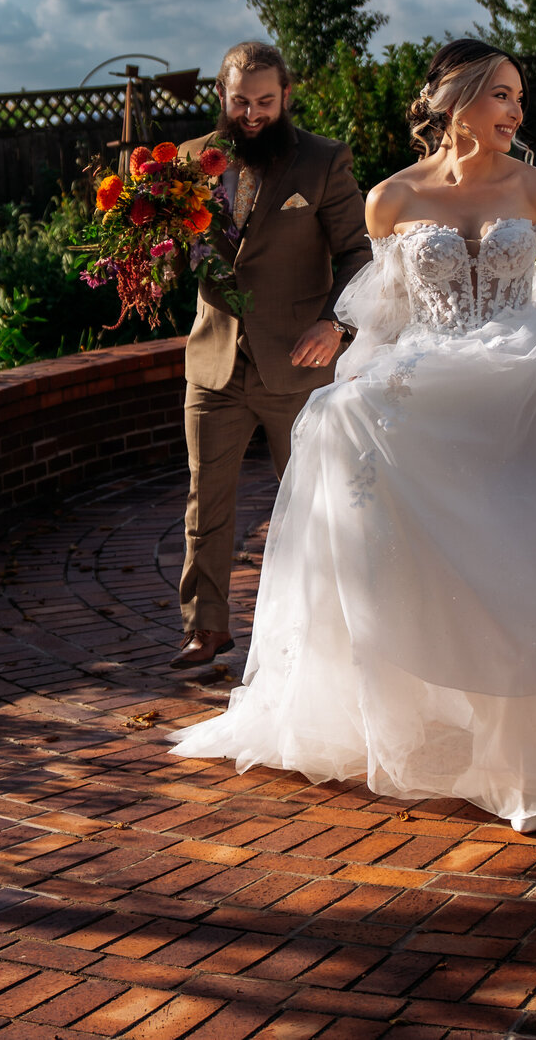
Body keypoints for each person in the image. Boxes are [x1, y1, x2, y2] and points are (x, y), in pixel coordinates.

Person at [170, 38, 536, 830]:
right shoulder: (390, 198)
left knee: (531, 551)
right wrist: (366, 370)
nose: (516, 113)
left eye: (519, 99)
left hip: (526, 380)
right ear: (455, 101)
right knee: (348, 424)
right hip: (437, 377)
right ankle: (431, 702)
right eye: (502, 97)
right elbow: (386, 311)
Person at [171, 40, 370, 670]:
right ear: (223, 99)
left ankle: (323, 632)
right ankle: (206, 629)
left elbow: (357, 254)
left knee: (313, 503)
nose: (252, 114)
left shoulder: (323, 161)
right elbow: (177, 250)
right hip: (214, 364)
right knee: (207, 502)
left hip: (299, 363)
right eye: (239, 101)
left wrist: (335, 324)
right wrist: (150, 259)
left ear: (286, 95)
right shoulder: (182, 163)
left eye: (264, 100)